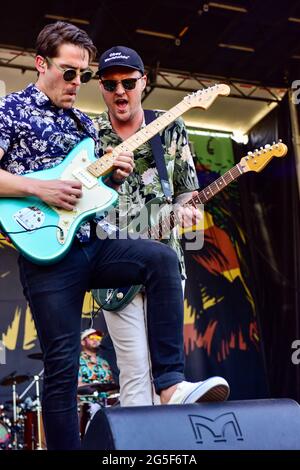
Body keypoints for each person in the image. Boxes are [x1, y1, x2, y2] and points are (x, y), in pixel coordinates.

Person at [0, 23, 228, 450]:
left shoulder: (87, 125)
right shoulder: (10, 111)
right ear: (39, 63)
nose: (76, 84)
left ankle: (172, 385)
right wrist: (38, 187)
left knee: (160, 260)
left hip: (91, 243)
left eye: (83, 76)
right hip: (47, 254)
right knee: (64, 368)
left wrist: (114, 176)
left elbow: (92, 195)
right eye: (69, 73)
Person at [94, 46, 230, 406]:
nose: (120, 91)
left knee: (167, 373)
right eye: (110, 84)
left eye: (128, 82)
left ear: (144, 82)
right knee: (135, 371)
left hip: (165, 261)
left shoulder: (169, 128)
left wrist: (188, 213)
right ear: (102, 88)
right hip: (113, 266)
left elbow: (187, 193)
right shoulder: (90, 134)